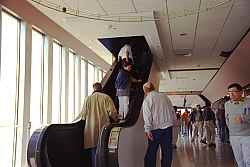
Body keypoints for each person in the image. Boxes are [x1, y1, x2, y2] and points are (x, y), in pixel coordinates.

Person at [74, 82, 118, 167]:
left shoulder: (88, 99)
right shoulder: (106, 97)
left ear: (93, 89)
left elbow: (83, 115)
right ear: (101, 88)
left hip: (90, 129)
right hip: (103, 127)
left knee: (94, 150)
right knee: (103, 149)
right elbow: (112, 112)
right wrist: (116, 119)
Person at [142, 82, 176, 167]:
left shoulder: (148, 99)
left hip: (155, 129)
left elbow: (147, 116)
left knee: (151, 153)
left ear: (146, 90)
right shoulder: (165, 97)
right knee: (167, 152)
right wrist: (172, 123)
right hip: (168, 128)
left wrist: (147, 129)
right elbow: (172, 112)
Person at [224, 83, 250, 167]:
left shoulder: (248, 102)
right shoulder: (227, 104)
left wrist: (243, 118)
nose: (231, 94)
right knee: (239, 160)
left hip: (247, 135)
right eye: (229, 92)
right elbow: (226, 118)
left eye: (234, 91)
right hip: (233, 136)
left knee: (248, 160)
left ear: (240, 92)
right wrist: (231, 131)